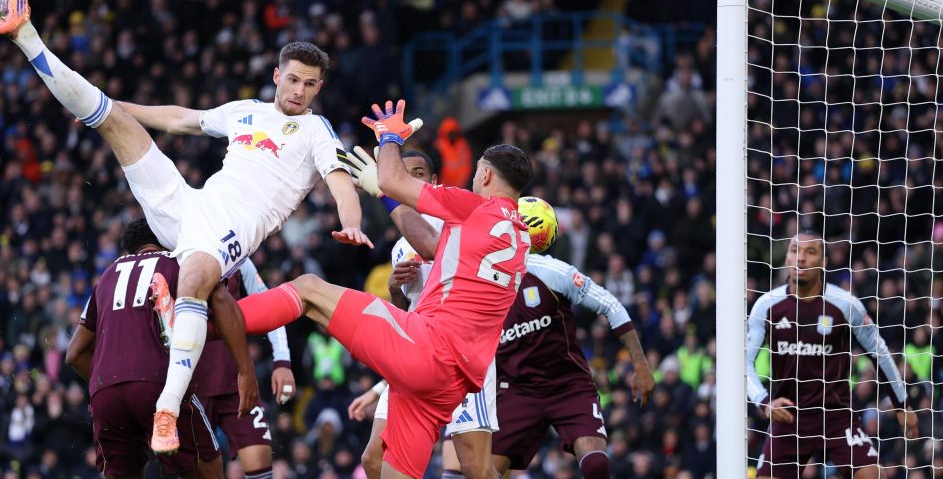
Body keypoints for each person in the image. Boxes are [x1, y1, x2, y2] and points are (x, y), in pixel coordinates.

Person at [0, 0, 370, 453]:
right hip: (187, 204)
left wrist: (352, 222)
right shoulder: (245, 111)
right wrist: (118, 107)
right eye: (293, 80)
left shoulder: (317, 131)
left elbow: (340, 181)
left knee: (195, 279)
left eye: (309, 84)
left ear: (319, 89)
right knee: (112, 122)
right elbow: (178, 118)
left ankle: (166, 411)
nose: (298, 91)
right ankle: (24, 34)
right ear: (278, 75)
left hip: (228, 233)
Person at [237, 101, 533, 479]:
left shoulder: (473, 208)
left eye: (476, 175)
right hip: (453, 382)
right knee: (381, 465)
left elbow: (397, 188)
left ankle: (212, 323)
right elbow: (435, 248)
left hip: (429, 348)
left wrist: (390, 136)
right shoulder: (521, 239)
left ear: (487, 175)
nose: (473, 181)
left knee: (308, 290)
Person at [344, 149, 498, 479]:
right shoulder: (401, 245)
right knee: (373, 458)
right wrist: (396, 289)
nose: (409, 180)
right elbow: (406, 309)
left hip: (461, 357)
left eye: (417, 174)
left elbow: (432, 245)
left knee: (476, 469)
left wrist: (384, 190)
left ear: (432, 182)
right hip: (418, 352)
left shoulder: (454, 220)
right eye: (403, 173)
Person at [65, 218, 255, 478]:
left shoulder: (107, 276)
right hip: (159, 384)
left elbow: (74, 354)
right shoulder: (180, 261)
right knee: (206, 468)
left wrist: (113, 387)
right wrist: (245, 370)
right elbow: (223, 302)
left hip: (105, 392)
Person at [747, 230, 919, 479]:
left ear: (824, 261)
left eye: (810, 252)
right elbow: (744, 363)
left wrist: (902, 406)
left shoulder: (845, 304)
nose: (801, 258)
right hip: (789, 420)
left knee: (872, 475)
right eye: (795, 250)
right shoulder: (767, 306)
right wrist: (764, 402)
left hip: (836, 418)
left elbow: (879, 353)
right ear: (786, 258)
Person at [491, 252, 655, 479]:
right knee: (481, 471)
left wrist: (640, 364)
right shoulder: (478, 286)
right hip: (518, 391)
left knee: (596, 465)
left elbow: (611, 304)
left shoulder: (550, 271)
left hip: (568, 386)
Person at [194, 257, 296, 479]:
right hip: (192, 390)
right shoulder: (174, 256)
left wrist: (282, 361)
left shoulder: (238, 258)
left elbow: (272, 304)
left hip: (237, 384)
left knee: (261, 467)